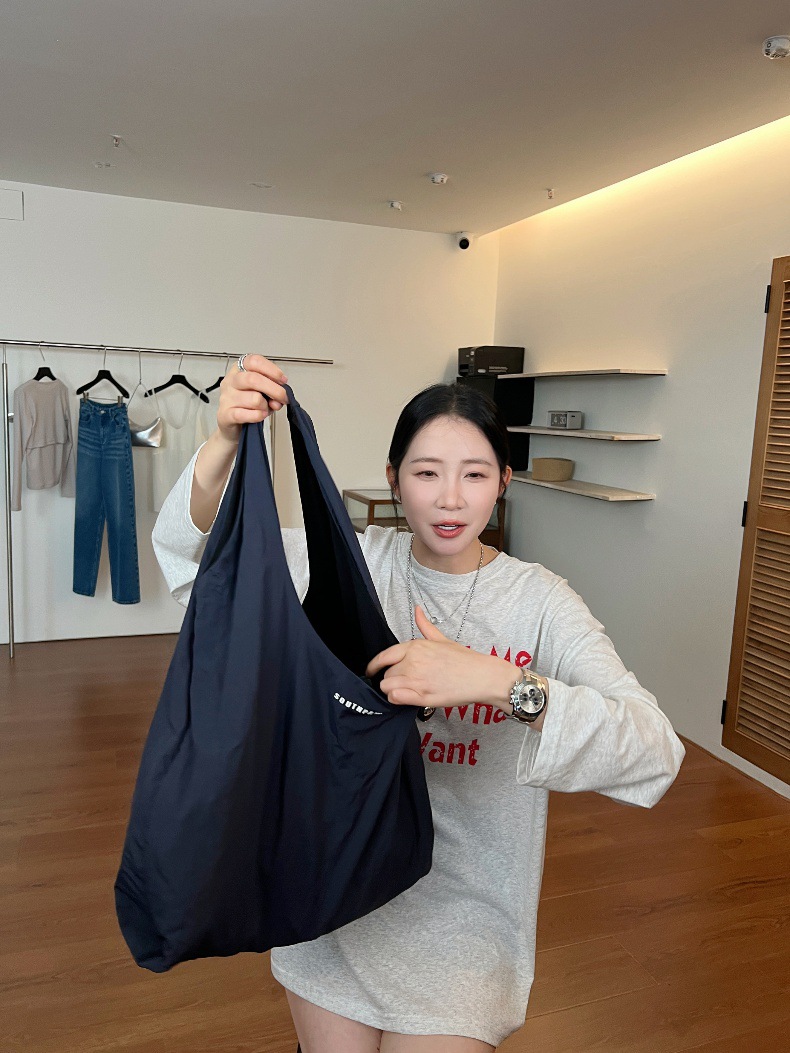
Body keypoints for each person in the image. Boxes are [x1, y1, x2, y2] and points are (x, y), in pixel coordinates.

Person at [151, 354, 685, 1053]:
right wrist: (224, 439)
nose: (451, 500)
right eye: (427, 473)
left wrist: (498, 682)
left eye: (475, 475)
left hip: (468, 922)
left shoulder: (542, 603)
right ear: (395, 477)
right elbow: (200, 563)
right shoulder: (350, 564)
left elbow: (655, 751)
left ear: (505, 482)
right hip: (335, 896)